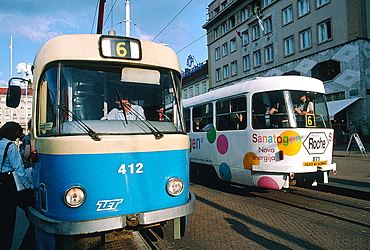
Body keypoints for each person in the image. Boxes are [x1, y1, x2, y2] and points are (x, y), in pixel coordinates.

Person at [0, 122, 33, 250]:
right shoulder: (11, 146)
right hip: (8, 182)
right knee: (9, 217)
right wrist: (28, 185)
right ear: (12, 132)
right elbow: (19, 169)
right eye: (18, 132)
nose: (20, 135)